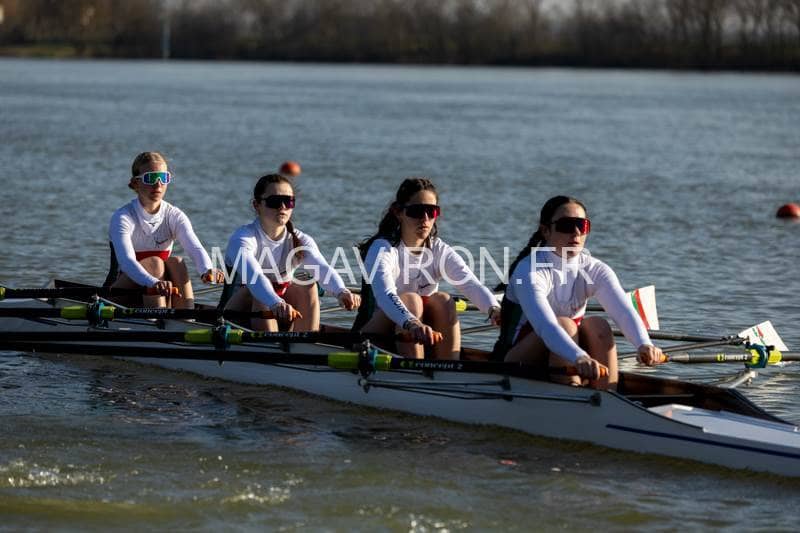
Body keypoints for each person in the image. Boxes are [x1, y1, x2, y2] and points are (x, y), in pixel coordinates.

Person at [494, 195, 664, 389]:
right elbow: (545, 326)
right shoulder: (529, 270)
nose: (576, 232)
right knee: (565, 325)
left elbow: (623, 312)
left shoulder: (595, 269)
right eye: (566, 225)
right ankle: (573, 391)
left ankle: (607, 393)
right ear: (546, 230)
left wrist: (644, 344)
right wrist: (579, 356)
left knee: (598, 326)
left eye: (581, 225)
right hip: (514, 363)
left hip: (568, 360)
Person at [354, 177, 501, 360]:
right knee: (411, 300)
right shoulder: (383, 248)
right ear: (398, 212)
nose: (425, 219)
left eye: (431, 211)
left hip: (419, 333)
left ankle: (449, 366)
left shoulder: (438, 249)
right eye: (417, 211)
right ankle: (415, 367)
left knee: (444, 300)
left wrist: (493, 309)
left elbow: (470, 284)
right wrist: (412, 323)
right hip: (373, 337)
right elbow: (385, 294)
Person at [221, 173, 359, 331]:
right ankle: (270, 342)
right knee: (261, 290)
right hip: (237, 315)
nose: (282, 207)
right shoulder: (243, 239)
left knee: (308, 286)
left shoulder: (301, 240)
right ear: (256, 205)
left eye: (288, 201)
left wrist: (341, 292)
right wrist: (276, 302)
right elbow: (255, 277)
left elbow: (322, 269)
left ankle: (305, 339)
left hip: (282, 311)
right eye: (274, 201)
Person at [106, 151, 223, 308]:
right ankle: (156, 317)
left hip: (158, 289)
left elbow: (195, 248)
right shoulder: (123, 217)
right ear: (135, 183)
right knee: (155, 263)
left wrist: (207, 270)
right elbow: (126, 261)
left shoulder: (174, 215)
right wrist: (153, 282)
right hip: (119, 293)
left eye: (164, 177)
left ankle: (185, 317)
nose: (158, 184)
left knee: (177, 262)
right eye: (151, 178)